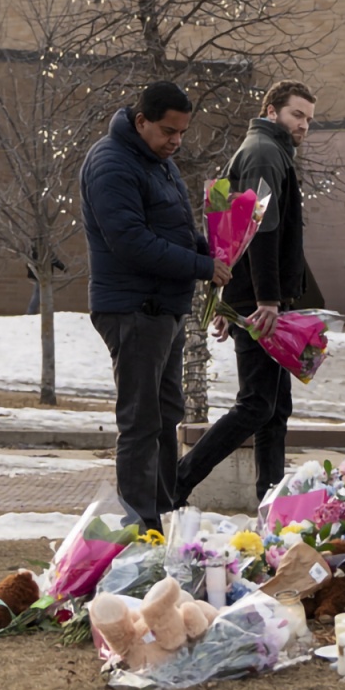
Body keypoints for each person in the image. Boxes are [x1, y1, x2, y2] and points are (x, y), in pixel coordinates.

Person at [80, 82, 231, 529]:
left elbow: (173, 230)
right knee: (141, 422)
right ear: (141, 120)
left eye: (182, 132)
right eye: (169, 131)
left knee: (166, 416)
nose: (176, 142)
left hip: (160, 308)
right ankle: (139, 528)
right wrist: (202, 266)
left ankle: (164, 515)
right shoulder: (112, 164)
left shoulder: (155, 161)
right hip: (133, 308)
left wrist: (214, 252)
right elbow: (131, 243)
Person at [176, 80, 316, 504]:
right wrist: (266, 300)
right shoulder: (264, 153)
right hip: (261, 303)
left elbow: (232, 232)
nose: (304, 125)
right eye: (297, 115)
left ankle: (271, 501)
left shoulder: (266, 151)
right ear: (272, 111)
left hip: (254, 297)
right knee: (257, 404)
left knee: (274, 408)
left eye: (309, 118)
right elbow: (261, 233)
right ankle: (177, 482)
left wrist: (228, 295)